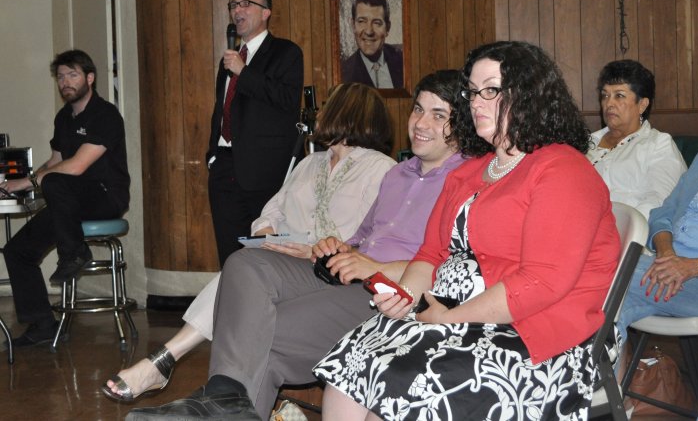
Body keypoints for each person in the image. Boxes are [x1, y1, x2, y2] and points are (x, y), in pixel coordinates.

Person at [123, 70, 483, 420]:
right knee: (245, 263)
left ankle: (220, 404)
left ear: (462, 124)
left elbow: (456, 265)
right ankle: (224, 399)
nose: (421, 122)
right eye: (418, 109)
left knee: (262, 331)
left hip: (390, 293)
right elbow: (361, 237)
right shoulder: (397, 174)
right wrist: (336, 247)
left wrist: (374, 267)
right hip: (344, 273)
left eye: (439, 115)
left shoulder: (467, 180)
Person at [314, 41, 620, 420]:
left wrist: (452, 317)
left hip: (537, 335)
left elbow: (542, 282)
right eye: (472, 92)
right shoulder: (469, 172)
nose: (476, 102)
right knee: (353, 362)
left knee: (403, 383)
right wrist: (406, 295)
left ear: (529, 94)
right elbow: (431, 255)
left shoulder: (563, 170)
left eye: (491, 90)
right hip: (456, 316)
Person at [103, 82, 394, 402]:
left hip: (327, 272)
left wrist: (314, 250)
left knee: (238, 274)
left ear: (346, 111)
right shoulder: (310, 163)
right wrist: (268, 235)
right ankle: (187, 375)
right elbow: (271, 211)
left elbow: (374, 241)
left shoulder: (381, 169)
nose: (320, 112)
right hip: (282, 260)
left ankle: (167, 360)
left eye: (328, 106)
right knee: (243, 266)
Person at [1, 49, 130, 347]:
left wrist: (30, 181)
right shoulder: (63, 118)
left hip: (105, 196)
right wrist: (19, 185)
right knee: (17, 250)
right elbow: (55, 161)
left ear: (90, 78)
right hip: (69, 202)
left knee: (56, 180)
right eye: (60, 77)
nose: (65, 82)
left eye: (72, 75)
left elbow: (76, 166)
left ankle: (74, 253)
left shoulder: (105, 115)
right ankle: (42, 325)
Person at [617, 59, 698, 348]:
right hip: (667, 269)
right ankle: (616, 379)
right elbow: (663, 213)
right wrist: (667, 255)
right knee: (608, 312)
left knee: (606, 272)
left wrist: (694, 267)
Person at [207, 0, 304, 266]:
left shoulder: (286, 53)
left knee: (266, 254)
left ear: (266, 12)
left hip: (264, 171)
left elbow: (287, 100)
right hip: (225, 166)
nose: (237, 10)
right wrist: (212, 156)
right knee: (230, 253)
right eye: (234, 5)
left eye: (246, 4)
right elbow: (221, 109)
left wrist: (243, 72)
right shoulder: (230, 59)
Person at [587, 59, 686, 219]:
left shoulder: (659, 144)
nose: (609, 103)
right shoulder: (585, 143)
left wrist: (622, 229)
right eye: (605, 95)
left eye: (619, 95)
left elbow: (658, 201)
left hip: (630, 229)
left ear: (642, 105)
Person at [341, 0, 404, 89]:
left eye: (377, 23)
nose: (369, 31)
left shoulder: (403, 60)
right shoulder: (343, 73)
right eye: (362, 21)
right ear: (353, 26)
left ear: (387, 28)